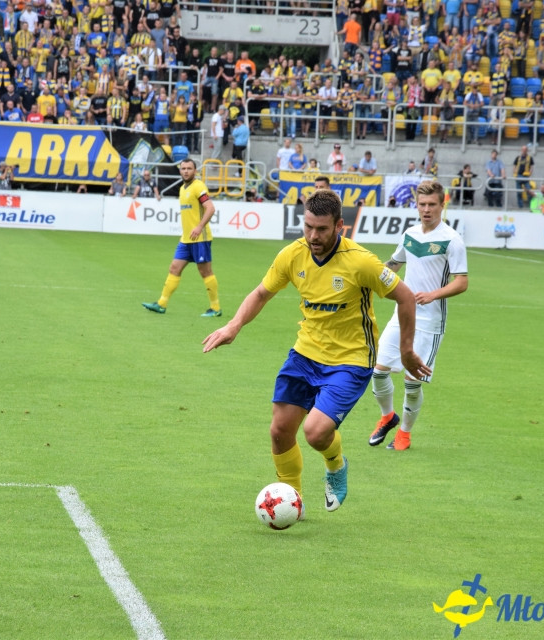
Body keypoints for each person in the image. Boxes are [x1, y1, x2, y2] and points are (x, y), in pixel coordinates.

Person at [202, 189, 430, 511]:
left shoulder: (360, 262)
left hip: (350, 359)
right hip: (306, 353)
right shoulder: (293, 255)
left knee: (315, 432)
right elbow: (261, 293)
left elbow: (405, 297)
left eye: (321, 229)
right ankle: (293, 502)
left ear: (339, 226)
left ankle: (336, 464)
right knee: (280, 430)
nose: (312, 235)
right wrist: (233, 326)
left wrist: (405, 351)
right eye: (307, 227)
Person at [369, 181, 467, 451]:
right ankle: (388, 416)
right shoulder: (409, 233)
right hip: (401, 314)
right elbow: (394, 265)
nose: (426, 210)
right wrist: (369, 278)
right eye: (422, 205)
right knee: (378, 371)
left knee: (412, 382)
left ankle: (404, 434)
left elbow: (462, 282)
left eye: (432, 205)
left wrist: (433, 294)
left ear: (442, 204)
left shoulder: (452, 240)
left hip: (430, 322)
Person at [142, 159, 221, 317]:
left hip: (200, 239)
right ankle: (161, 304)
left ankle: (216, 308)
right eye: (183, 168)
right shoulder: (183, 188)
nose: (186, 171)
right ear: (180, 171)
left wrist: (199, 227)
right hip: (186, 239)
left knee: (205, 272)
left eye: (189, 168)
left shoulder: (198, 186)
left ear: (195, 170)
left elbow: (210, 208)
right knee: (174, 268)